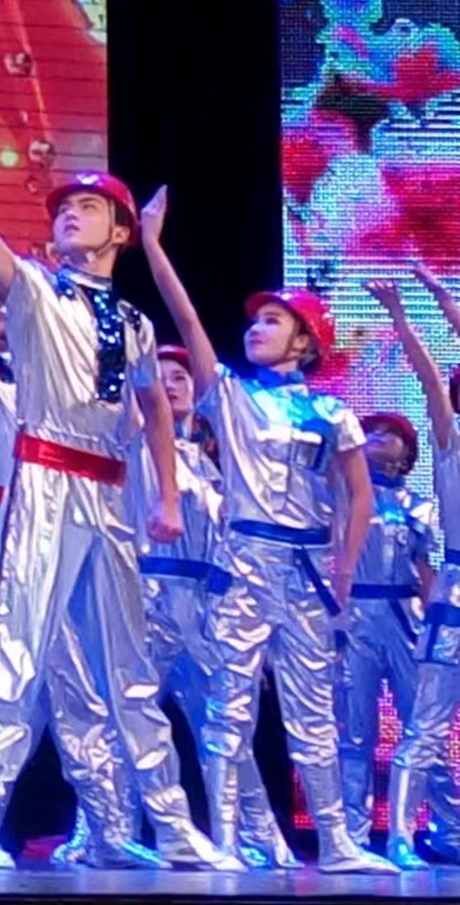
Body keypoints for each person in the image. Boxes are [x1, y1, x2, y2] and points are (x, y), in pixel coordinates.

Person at [0, 74, 232, 870]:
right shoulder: (34, 289)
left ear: (120, 230)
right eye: (62, 207)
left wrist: (168, 494)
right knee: (15, 651)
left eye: (86, 206)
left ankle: (173, 824)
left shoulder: (136, 322)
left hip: (106, 492)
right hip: (42, 480)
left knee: (130, 667)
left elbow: (155, 408)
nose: (69, 213)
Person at [140, 187, 391, 872]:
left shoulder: (333, 412)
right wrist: (154, 245)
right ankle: (226, 840)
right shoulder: (230, 394)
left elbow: (360, 495)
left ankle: (337, 843)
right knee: (230, 702)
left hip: (307, 569)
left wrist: (345, 566)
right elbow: (187, 319)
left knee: (314, 709)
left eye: (273, 320)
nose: (256, 328)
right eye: (254, 320)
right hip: (245, 558)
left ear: (305, 341)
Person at [134, 344, 294, 869]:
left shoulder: (215, 467)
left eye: (180, 376)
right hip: (149, 598)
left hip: (204, 609)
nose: (171, 384)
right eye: (159, 376)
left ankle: (261, 837)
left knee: (227, 730)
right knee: (128, 721)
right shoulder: (136, 447)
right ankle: (105, 831)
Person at [333, 327, 460, 853]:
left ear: (408, 453)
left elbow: (426, 574)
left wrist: (432, 619)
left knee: (423, 724)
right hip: (357, 615)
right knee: (358, 732)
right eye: (373, 433)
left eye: (391, 435)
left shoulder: (419, 507)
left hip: (408, 616)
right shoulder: (341, 498)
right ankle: (357, 833)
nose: (379, 439)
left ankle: (450, 828)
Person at [376, 267, 460, 870]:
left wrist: (445, 300)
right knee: (427, 722)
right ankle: (401, 837)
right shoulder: (452, 438)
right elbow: (430, 379)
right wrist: (408, 316)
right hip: (456, 595)